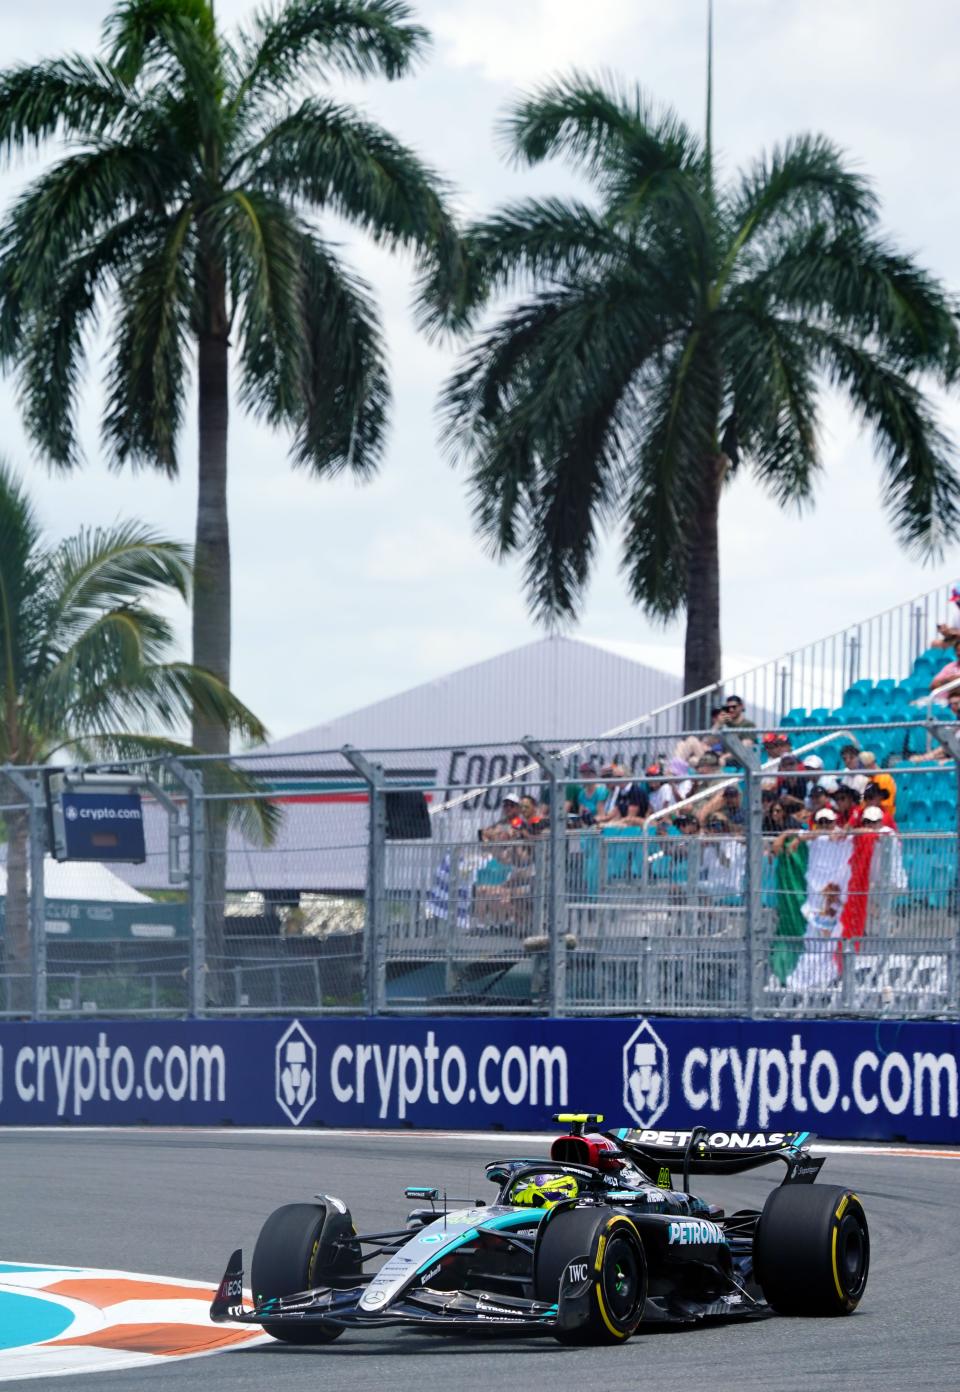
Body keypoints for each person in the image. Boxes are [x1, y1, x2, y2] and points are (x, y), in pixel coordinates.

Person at [858, 751, 896, 816]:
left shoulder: (885, 778)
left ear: (871, 765)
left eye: (864, 767)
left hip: (884, 814)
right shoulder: (868, 779)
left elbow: (886, 804)